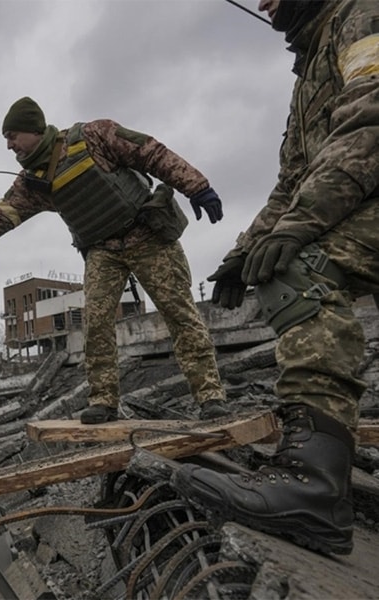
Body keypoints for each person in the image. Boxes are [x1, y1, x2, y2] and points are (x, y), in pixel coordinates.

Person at [173, 0, 379, 556]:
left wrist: (294, 232)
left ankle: (313, 487)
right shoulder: (310, 66)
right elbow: (293, 180)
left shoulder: (362, 15)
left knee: (298, 269)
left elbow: (372, 117)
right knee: (276, 262)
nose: (263, 2)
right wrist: (244, 252)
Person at [0, 97, 229, 424]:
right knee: (96, 323)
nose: (9, 145)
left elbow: (150, 151)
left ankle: (210, 397)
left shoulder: (93, 136)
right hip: (103, 251)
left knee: (180, 314)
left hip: (147, 235)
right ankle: (104, 400)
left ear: (34, 129)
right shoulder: (31, 183)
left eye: (12, 135)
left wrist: (196, 185)